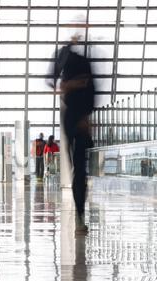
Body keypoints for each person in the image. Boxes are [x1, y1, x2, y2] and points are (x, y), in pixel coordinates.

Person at [47, 32, 95, 235]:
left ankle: (80, 214)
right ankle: (79, 214)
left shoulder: (80, 61)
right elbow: (54, 79)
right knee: (79, 169)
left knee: (79, 168)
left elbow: (52, 78)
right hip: (77, 118)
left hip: (76, 118)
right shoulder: (77, 61)